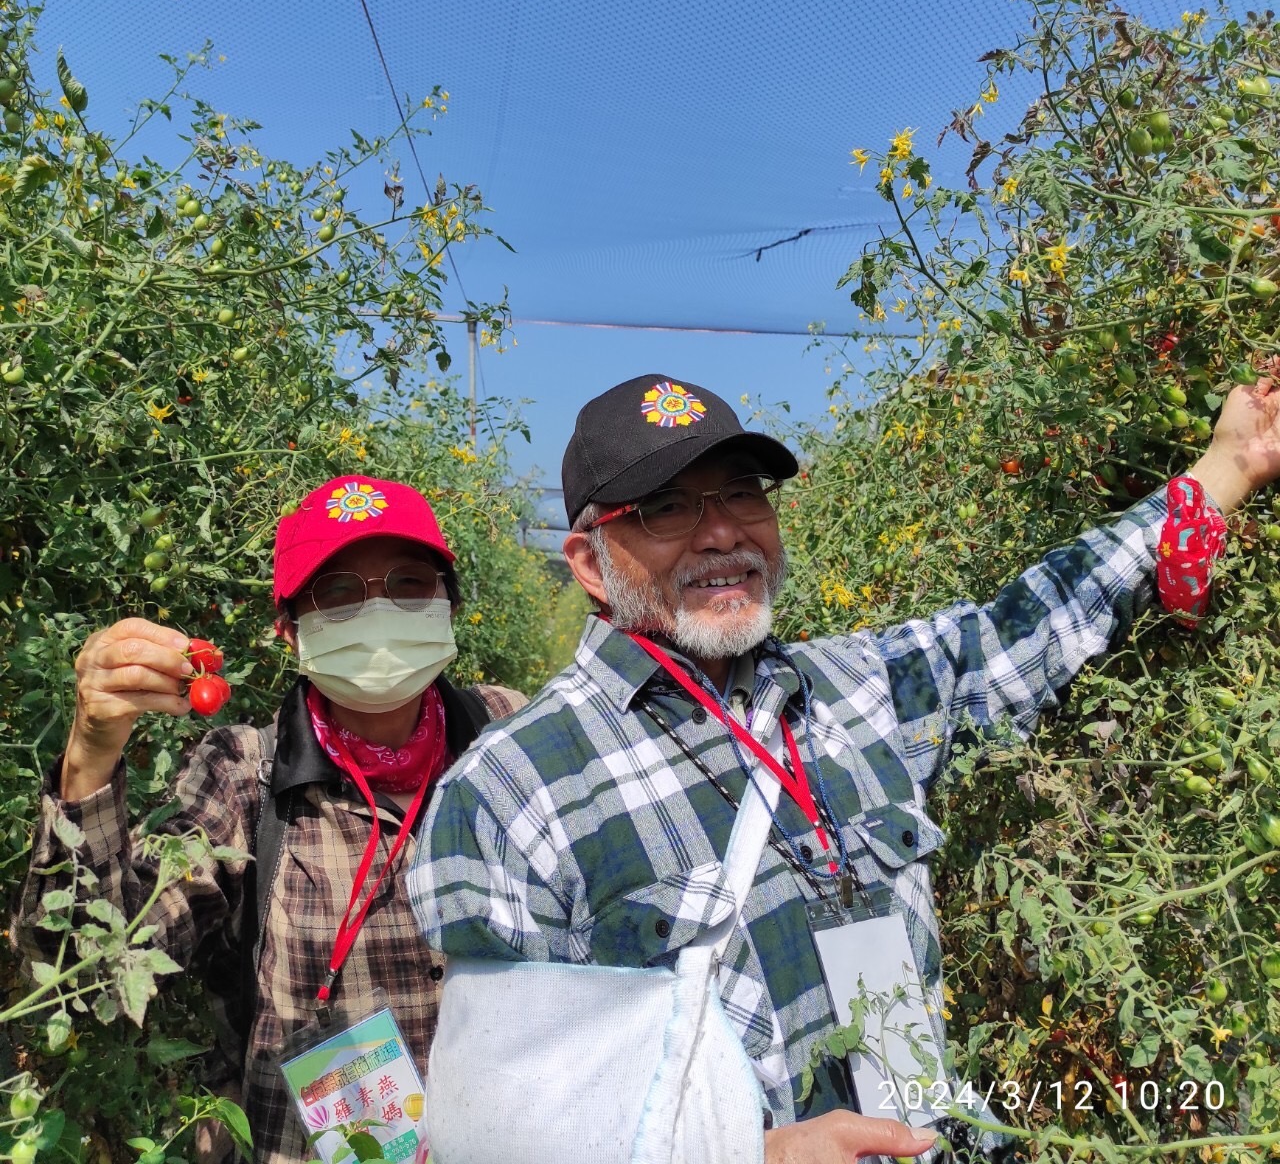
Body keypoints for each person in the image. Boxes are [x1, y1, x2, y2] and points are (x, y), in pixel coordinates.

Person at [409, 373, 1280, 1164]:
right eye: (665, 509)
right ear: (591, 564)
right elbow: (507, 1129)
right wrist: (755, 1157)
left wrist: (1229, 465)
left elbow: (1033, 624)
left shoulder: (855, 689)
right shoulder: (507, 794)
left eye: (743, 493)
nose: (722, 532)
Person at [14, 476, 526, 1164]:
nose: (379, 613)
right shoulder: (242, 775)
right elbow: (84, 975)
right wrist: (91, 756)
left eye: (410, 582)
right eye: (339, 592)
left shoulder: (510, 736)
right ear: (289, 629)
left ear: (448, 603)